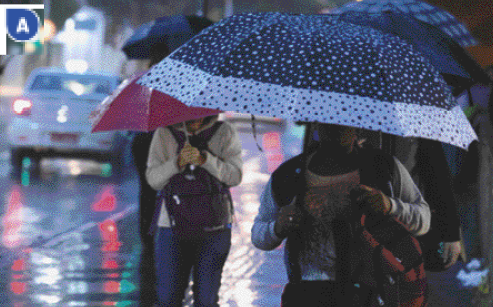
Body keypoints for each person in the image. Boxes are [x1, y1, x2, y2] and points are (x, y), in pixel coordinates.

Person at [251, 123, 431, 306]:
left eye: (343, 124)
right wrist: (277, 228)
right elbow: (258, 234)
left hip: (368, 294)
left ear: (358, 126)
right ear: (316, 124)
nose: (335, 128)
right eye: (326, 122)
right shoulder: (289, 175)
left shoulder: (383, 169)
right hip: (306, 295)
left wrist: (390, 206)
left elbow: (423, 219)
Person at [146, 115, 243, 306]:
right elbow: (154, 180)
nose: (195, 120)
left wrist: (205, 160)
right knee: (168, 298)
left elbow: (234, 177)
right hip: (172, 227)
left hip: (214, 227)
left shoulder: (225, 132)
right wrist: (177, 163)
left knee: (206, 299)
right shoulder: (164, 133)